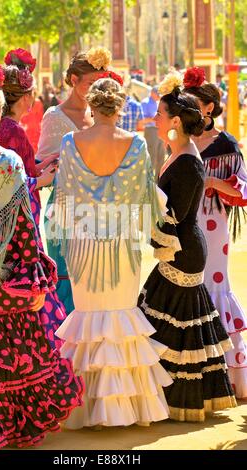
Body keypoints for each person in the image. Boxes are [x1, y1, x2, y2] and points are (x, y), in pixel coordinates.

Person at [0, 58, 83, 450]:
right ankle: (13, 426)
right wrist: (34, 276)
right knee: (13, 352)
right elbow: (24, 231)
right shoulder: (7, 164)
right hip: (2, 277)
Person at [52, 75, 174, 430]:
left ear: (91, 105)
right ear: (120, 107)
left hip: (84, 241)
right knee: (120, 316)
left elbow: (63, 199)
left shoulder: (70, 142)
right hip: (121, 242)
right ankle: (124, 408)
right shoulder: (136, 144)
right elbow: (147, 200)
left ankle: (83, 407)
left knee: (88, 318)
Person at [137, 72, 237, 422]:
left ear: (175, 121)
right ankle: (171, 398)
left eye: (160, 115)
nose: (155, 119)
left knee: (175, 325)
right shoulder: (180, 152)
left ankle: (174, 401)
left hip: (183, 248)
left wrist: (144, 209)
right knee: (174, 323)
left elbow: (174, 214)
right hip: (181, 246)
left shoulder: (188, 160)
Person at [0, 48, 65, 351]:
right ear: (25, 98)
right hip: (21, 215)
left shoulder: (2, 127)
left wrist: (46, 159)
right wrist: (45, 178)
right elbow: (19, 179)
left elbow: (24, 166)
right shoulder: (14, 130)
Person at [184, 67, 247, 399]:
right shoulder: (181, 139)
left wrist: (210, 182)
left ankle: (227, 371)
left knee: (215, 284)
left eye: (194, 102)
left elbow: (243, 188)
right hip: (184, 223)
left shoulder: (225, 143)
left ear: (209, 107)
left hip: (213, 224)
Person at [36, 46, 112, 314]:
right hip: (65, 214)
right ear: (73, 80)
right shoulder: (54, 117)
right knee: (67, 287)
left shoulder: (104, 115)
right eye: (91, 82)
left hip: (100, 214)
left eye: (101, 83)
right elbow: (42, 169)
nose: (96, 88)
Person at [141, 86, 166, 178]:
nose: (159, 96)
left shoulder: (158, 102)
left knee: (161, 156)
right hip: (151, 131)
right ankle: (149, 180)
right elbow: (142, 120)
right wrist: (155, 118)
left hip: (160, 130)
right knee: (152, 156)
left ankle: (158, 180)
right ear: (152, 93)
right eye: (157, 93)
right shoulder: (145, 102)